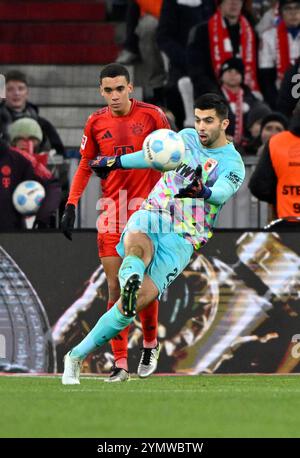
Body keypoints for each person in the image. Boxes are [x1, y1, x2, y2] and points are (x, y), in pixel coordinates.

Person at [62, 93, 246, 384]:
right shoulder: (184, 138)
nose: (201, 126)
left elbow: (222, 191)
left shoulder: (233, 164)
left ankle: (76, 352)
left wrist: (204, 192)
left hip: (185, 236)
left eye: (208, 121)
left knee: (129, 307)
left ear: (224, 123)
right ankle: (75, 359)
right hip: (155, 212)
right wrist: (115, 162)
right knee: (136, 247)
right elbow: (152, 155)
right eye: (197, 119)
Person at [60, 63, 170, 382]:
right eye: (108, 90)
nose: (114, 95)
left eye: (119, 88)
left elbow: (173, 157)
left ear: (130, 88)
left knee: (144, 285)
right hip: (112, 211)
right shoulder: (95, 122)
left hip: (147, 212)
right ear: (101, 91)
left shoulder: (153, 116)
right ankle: (120, 363)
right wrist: (71, 203)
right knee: (116, 286)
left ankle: (150, 344)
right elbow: (84, 164)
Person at [249, 100, 300, 229]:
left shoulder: (276, 142)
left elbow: (258, 186)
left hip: (286, 222)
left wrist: (280, 197)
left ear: (295, 113)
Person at [0, 70, 65, 156]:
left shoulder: (43, 124)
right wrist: (11, 147)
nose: (16, 93)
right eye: (10, 89)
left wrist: (41, 151)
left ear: (27, 93)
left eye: (21, 88)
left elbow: (60, 152)